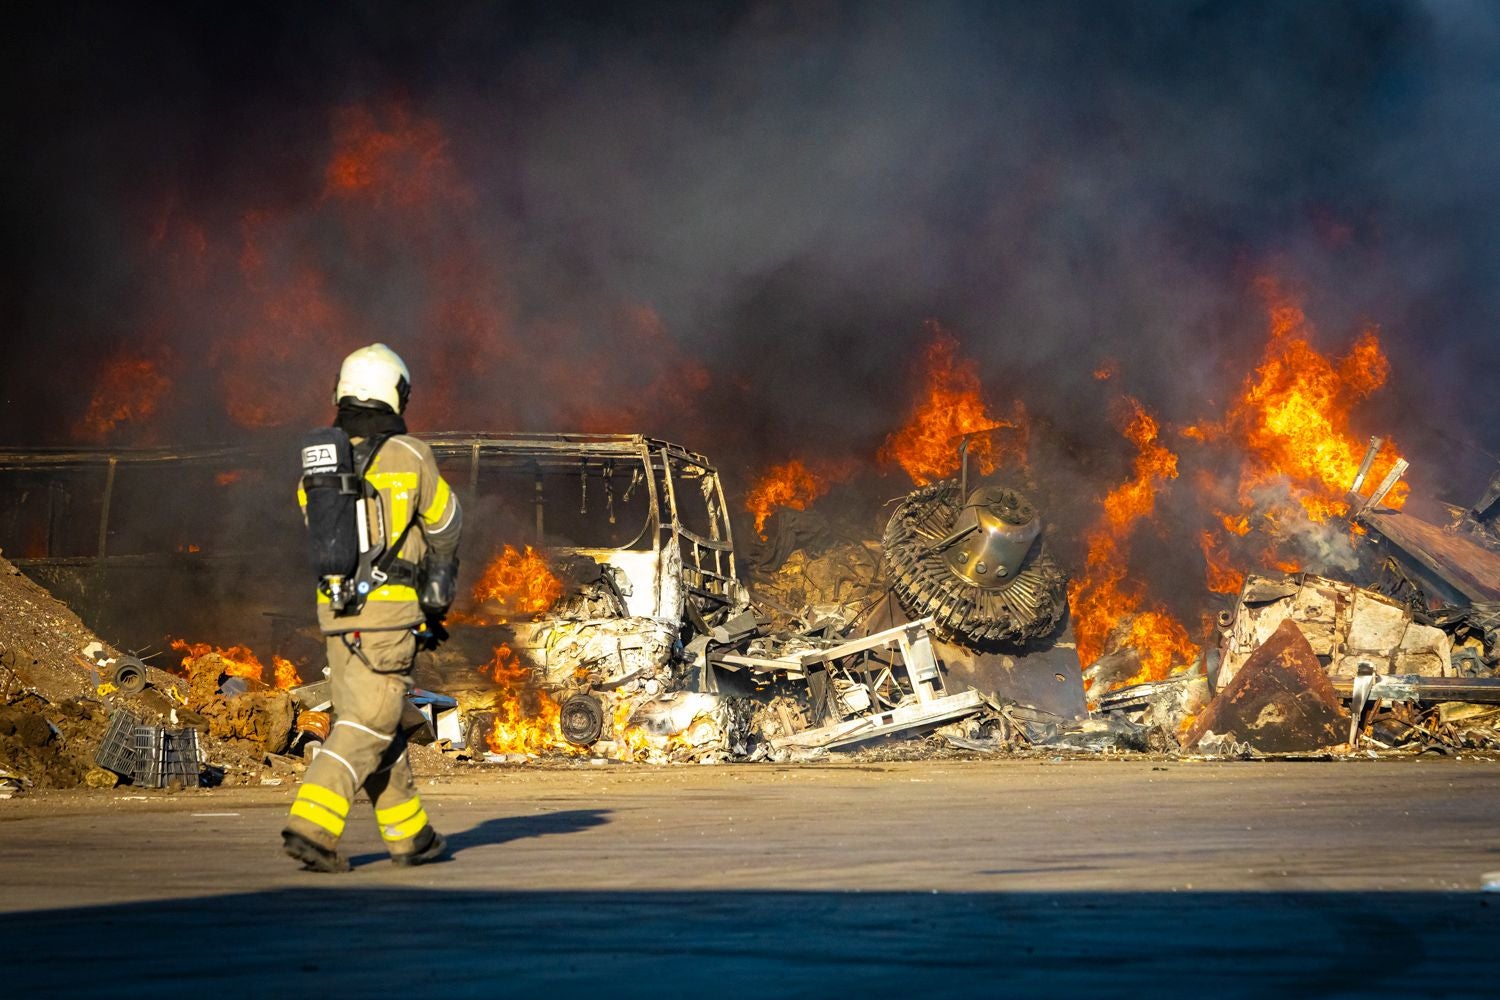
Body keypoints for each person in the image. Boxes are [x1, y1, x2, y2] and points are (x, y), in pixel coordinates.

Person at [282, 343, 462, 872]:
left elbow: (319, 529)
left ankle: (412, 837)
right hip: (387, 617)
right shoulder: (411, 456)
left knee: (376, 720)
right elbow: (447, 525)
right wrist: (437, 591)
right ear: (395, 393)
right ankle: (311, 828)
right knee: (370, 723)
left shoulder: (319, 466)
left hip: (336, 615)